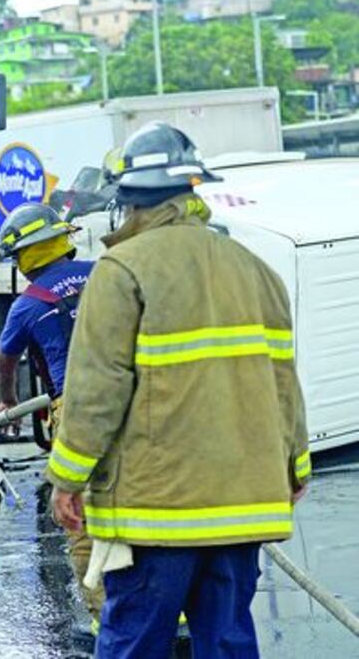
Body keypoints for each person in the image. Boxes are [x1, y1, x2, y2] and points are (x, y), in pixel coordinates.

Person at [47, 122, 310, 658]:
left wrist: (67, 479)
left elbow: (97, 390)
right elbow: (283, 383)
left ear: (127, 202)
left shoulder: (122, 270)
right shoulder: (256, 271)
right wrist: (295, 466)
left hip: (156, 512)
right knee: (228, 640)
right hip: (244, 506)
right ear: (192, 191)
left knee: (134, 641)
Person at [0, 203, 102, 633]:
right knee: (145, 502)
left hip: (78, 408)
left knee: (81, 516)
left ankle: (106, 619)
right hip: (139, 397)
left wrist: (6, 404)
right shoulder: (107, 272)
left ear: (26, 255)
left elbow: (6, 362)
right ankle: (172, 609)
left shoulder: (28, 305)